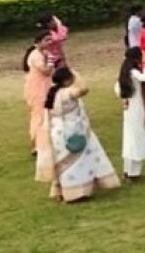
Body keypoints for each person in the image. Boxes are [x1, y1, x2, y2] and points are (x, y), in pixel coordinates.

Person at [36, 67, 122, 202]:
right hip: (73, 132)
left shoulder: (53, 93)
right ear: (66, 80)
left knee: (62, 165)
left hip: (57, 133)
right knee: (77, 164)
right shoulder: (68, 92)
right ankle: (76, 193)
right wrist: (76, 74)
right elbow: (84, 90)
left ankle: (62, 192)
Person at [115, 47, 145, 181]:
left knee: (130, 139)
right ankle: (133, 173)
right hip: (138, 108)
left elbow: (117, 89)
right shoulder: (134, 72)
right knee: (136, 139)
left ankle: (128, 171)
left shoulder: (124, 72)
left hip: (130, 108)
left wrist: (125, 99)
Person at [22, 31, 55, 156]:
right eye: (47, 40)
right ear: (38, 41)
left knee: (46, 115)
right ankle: (36, 146)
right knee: (38, 116)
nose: (49, 43)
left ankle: (45, 142)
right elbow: (45, 71)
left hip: (44, 87)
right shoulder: (35, 55)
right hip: (37, 89)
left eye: (50, 40)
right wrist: (51, 60)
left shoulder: (43, 53)